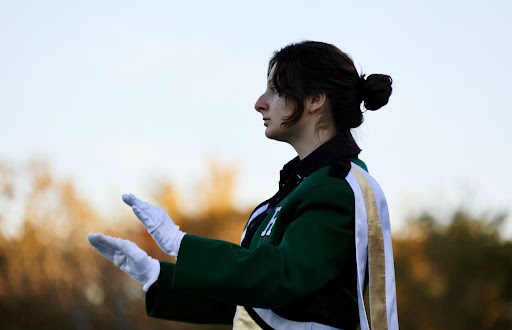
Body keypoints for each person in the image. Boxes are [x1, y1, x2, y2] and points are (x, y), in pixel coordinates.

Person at [88, 40, 399, 330]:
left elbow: (281, 277)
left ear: (316, 99)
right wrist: (154, 275)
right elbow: (250, 303)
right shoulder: (296, 191)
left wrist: (181, 244)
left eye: (276, 90)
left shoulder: (337, 189)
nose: (260, 103)